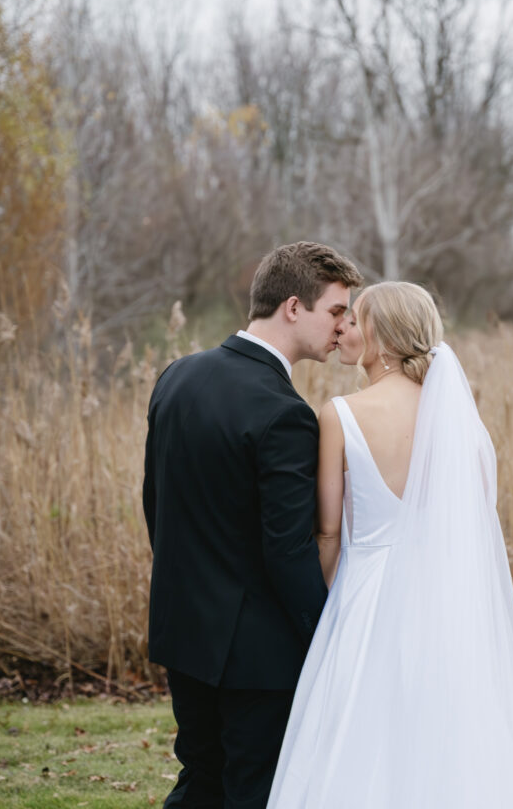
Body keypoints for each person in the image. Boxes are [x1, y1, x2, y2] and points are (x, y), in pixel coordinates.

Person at [268, 281, 513, 808]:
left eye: (355, 321)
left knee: (354, 734)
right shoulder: (462, 426)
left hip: (364, 598)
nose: (344, 329)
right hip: (443, 601)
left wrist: (322, 611)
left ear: (381, 337)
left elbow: (327, 533)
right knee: (443, 732)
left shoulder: (341, 414)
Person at [142, 241, 363, 809]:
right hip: (257, 655)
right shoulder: (284, 414)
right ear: (294, 307)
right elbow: (287, 551)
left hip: (184, 630)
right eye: (336, 311)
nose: (342, 328)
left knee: (201, 779)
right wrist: (325, 638)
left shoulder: (177, 377)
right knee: (253, 789)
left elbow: (156, 505)